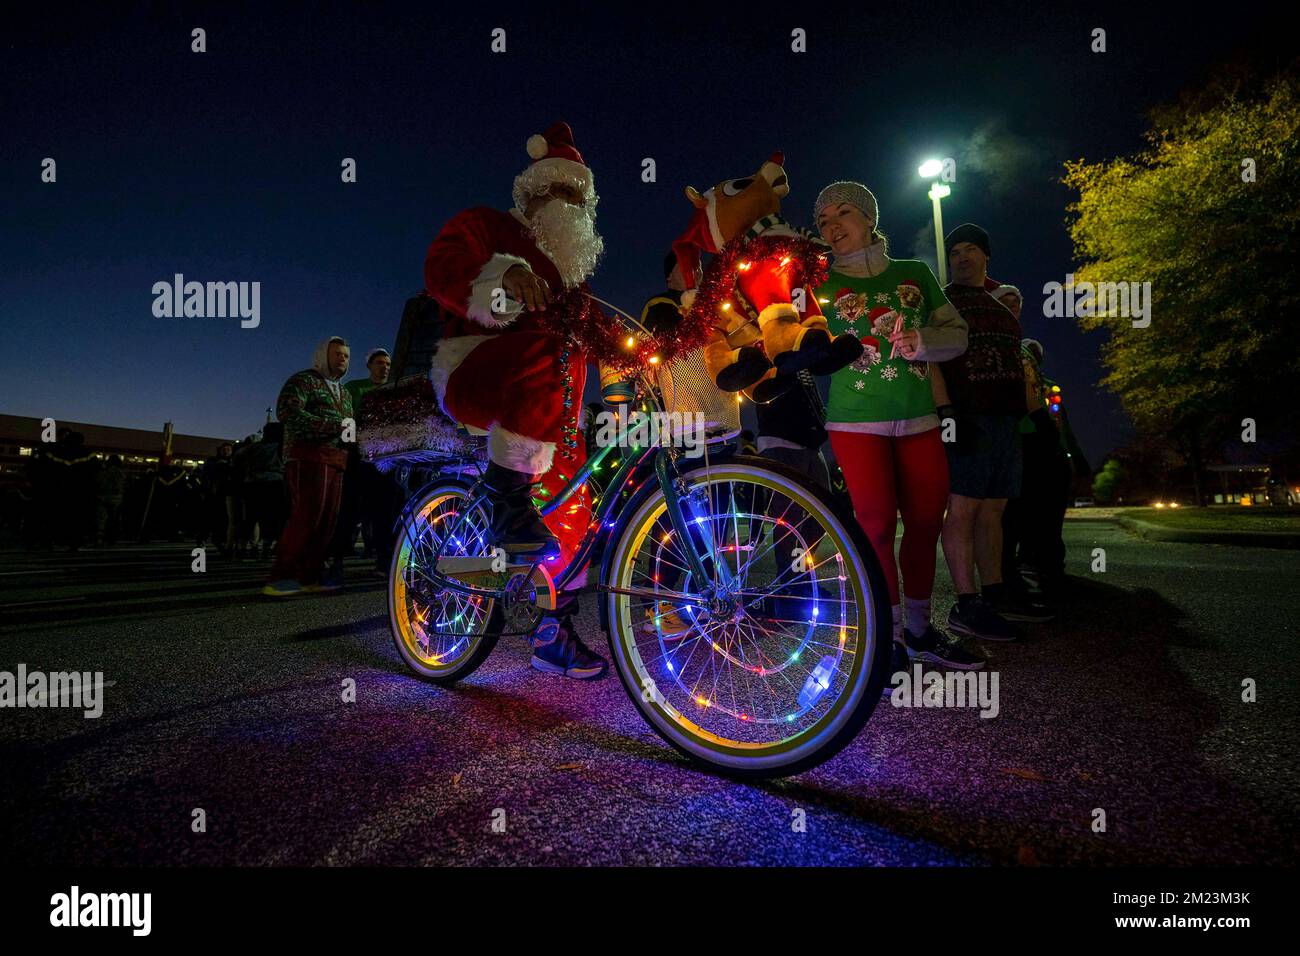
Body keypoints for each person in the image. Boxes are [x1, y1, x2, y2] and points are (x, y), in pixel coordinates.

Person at [423, 121, 609, 679]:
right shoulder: (488, 224)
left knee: (574, 513)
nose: (572, 206)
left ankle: (553, 634)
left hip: (554, 419)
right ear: (532, 194)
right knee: (545, 348)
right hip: (475, 373)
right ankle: (506, 493)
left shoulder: (577, 287)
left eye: (580, 196)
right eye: (561, 192)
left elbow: (606, 341)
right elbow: (441, 266)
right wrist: (504, 274)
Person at [813, 183, 984, 674]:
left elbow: (958, 334)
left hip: (918, 418)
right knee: (877, 525)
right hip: (854, 420)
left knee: (928, 519)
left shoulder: (915, 273)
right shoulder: (816, 281)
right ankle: (885, 639)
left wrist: (923, 340)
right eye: (823, 220)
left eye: (843, 212)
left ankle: (919, 627)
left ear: (869, 218)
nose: (832, 225)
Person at [938, 225, 1051, 641]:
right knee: (964, 510)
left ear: (986, 256)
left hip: (1005, 421)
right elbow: (931, 361)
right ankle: (966, 604)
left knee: (993, 512)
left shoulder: (1003, 308)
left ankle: (996, 593)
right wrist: (946, 412)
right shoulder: (943, 302)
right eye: (955, 252)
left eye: (970, 250)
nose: (962, 257)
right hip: (969, 418)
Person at [263, 336, 353, 596]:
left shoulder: (344, 392)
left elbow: (348, 426)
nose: (342, 359)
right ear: (322, 355)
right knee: (306, 516)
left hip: (336, 458)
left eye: (346, 355)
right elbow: (289, 412)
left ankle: (309, 575)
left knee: (327, 521)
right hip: (308, 455)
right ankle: (281, 576)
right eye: (336, 354)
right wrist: (332, 427)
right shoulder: (304, 380)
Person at [242, 423, 288, 559]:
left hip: (251, 483)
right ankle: (266, 547)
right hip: (274, 483)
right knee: (271, 517)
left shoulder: (252, 448)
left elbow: (238, 459)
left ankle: (247, 547)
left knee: (250, 517)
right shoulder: (280, 447)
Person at [95, 454, 126, 546]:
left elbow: (99, 483)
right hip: (117, 499)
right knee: (114, 519)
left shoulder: (105, 472)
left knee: (102, 520)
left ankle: (100, 539)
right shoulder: (121, 473)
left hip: (104, 497)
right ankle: (111, 539)